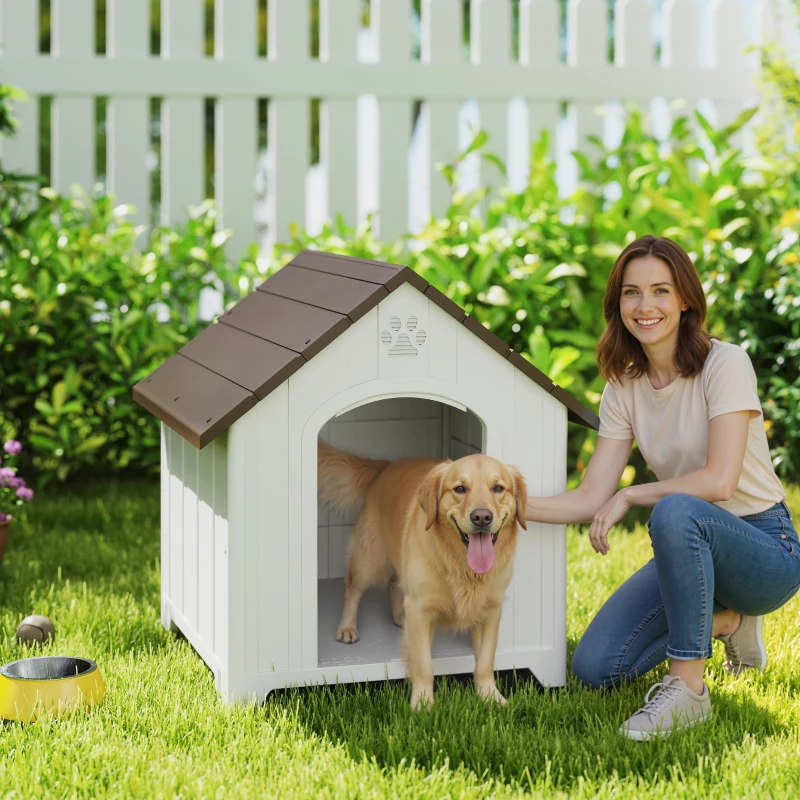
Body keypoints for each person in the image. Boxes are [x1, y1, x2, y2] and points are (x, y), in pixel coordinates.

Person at [524, 234, 800, 740]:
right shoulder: (624, 385)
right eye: (631, 293)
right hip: (689, 549)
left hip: (765, 548)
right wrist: (506, 506)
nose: (645, 306)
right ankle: (725, 623)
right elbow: (589, 496)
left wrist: (630, 494)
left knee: (675, 509)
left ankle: (688, 691)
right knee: (596, 667)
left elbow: (718, 482)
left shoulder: (726, 363)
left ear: (685, 300)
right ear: (618, 304)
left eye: (660, 291)